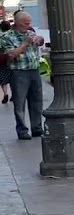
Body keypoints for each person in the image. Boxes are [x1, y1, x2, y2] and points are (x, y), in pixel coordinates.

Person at [0, 11, 46, 140]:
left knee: (36, 100)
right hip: (18, 72)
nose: (28, 26)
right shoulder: (7, 37)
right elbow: (10, 55)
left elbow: (40, 42)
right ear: (17, 23)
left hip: (34, 69)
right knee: (19, 102)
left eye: (29, 23)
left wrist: (40, 40)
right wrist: (25, 44)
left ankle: (37, 128)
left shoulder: (30, 33)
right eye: (25, 23)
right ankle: (22, 130)